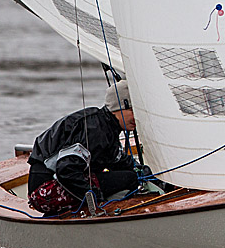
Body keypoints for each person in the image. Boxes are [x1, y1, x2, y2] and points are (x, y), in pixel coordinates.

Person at [26, 80, 140, 214]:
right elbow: (66, 170)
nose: (136, 117)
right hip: (44, 193)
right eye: (133, 110)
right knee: (129, 179)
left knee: (131, 176)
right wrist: (96, 200)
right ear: (119, 107)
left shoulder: (107, 127)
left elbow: (117, 161)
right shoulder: (94, 130)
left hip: (55, 185)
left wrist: (144, 172)